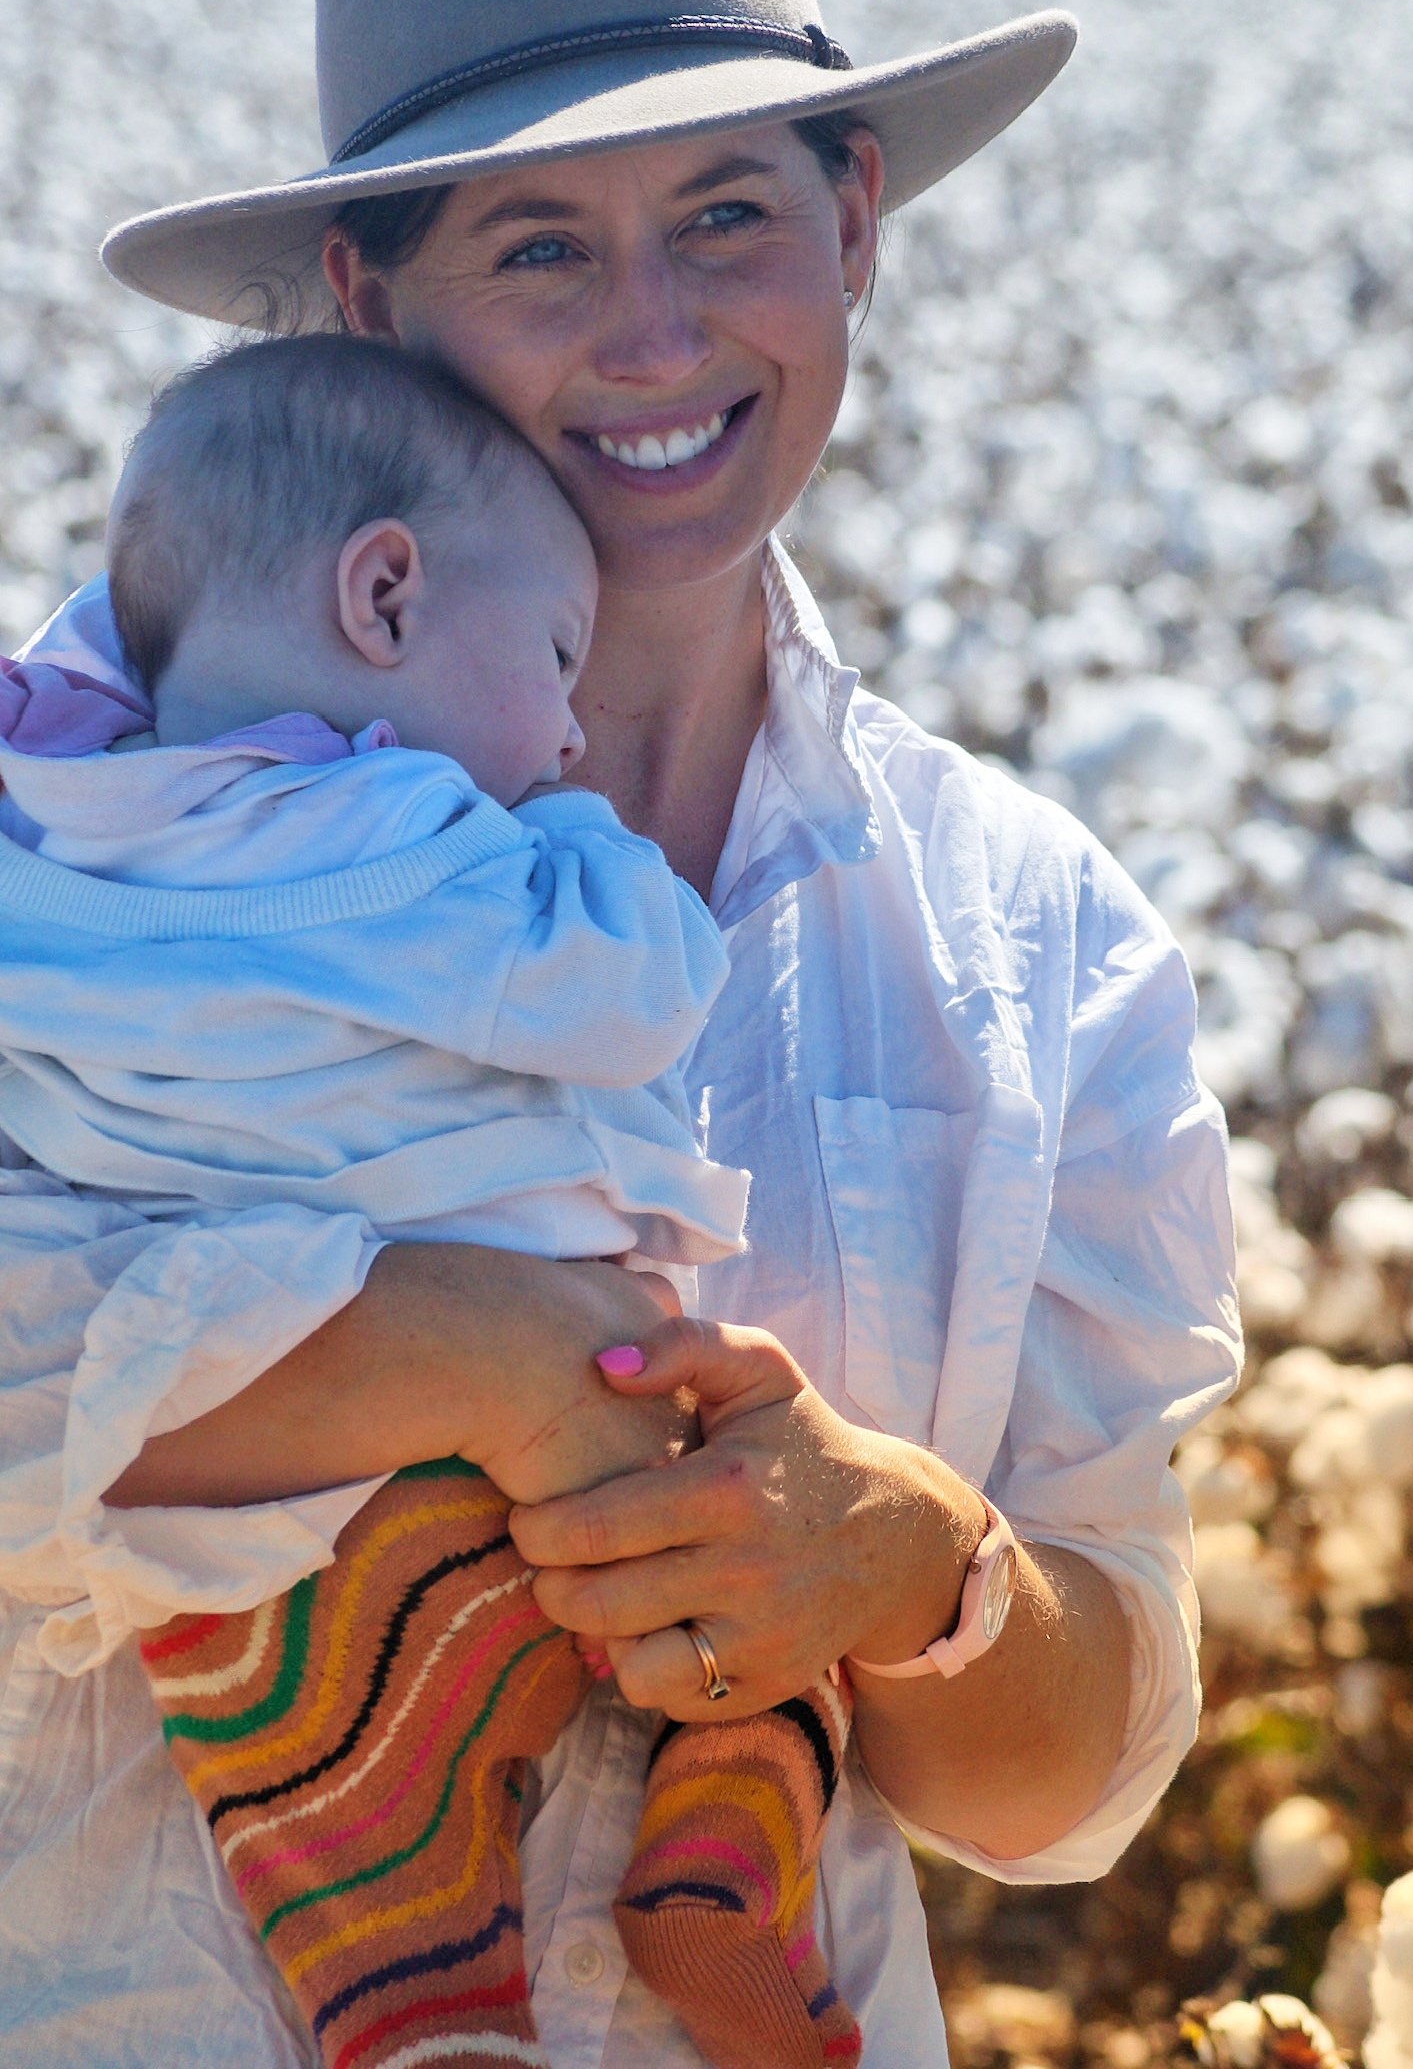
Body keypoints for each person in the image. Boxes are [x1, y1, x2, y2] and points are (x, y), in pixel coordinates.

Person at [0, 0, 1243, 2065]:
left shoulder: (1031, 941)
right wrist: (464, 1349)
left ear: (856, 225)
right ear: (368, 299)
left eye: (728, 213)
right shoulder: (64, 830)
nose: (657, 334)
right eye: (540, 246)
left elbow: (1071, 1788)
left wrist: (915, 1571)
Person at [0, 327, 867, 2069]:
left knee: (324, 1758)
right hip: (580, 1399)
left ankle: (414, 1994)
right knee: (761, 1616)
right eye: (554, 655)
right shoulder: (416, 838)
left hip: (250, 1482)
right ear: (384, 595)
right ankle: (723, 1853)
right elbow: (631, 993)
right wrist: (592, 836)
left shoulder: (61, 849)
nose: (567, 721)